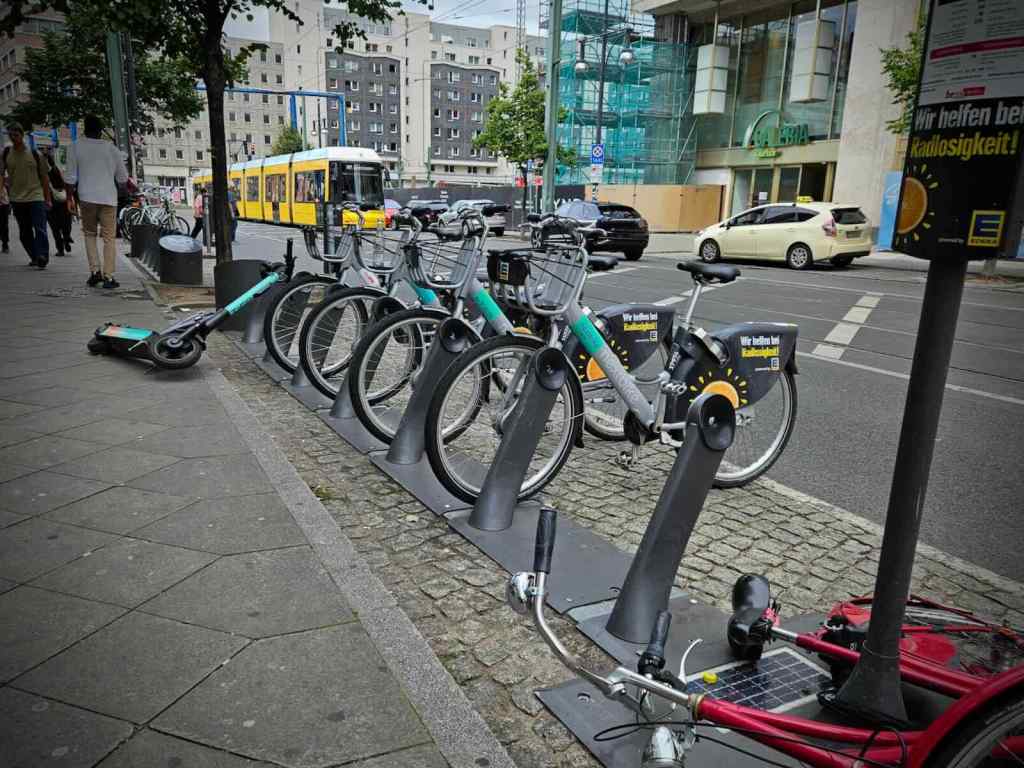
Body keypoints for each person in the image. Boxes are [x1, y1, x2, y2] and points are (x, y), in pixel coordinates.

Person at [65, 114, 128, 288]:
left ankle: (95, 272)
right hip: (109, 198)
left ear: (84, 129)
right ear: (101, 131)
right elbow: (122, 177)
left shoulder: (75, 147)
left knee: (90, 234)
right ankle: (109, 276)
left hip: (86, 198)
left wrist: (69, 198)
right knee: (109, 237)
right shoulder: (111, 149)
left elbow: (70, 177)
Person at [3, 121, 51, 269]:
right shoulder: (6, 153)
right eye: (11, 135)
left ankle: (42, 255)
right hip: (17, 198)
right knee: (24, 232)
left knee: (40, 228)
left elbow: (44, 177)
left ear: (22, 135)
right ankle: (35, 256)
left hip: (36, 196)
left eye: (16, 135)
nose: (13, 138)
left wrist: (47, 198)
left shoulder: (35, 153)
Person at [42, 148, 73, 255]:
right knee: (65, 224)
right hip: (62, 201)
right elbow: (65, 184)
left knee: (55, 228)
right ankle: (66, 239)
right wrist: (70, 199)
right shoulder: (56, 169)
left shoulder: (44, 173)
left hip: (51, 203)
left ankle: (60, 249)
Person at [0, 178, 9, 253]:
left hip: (3, 201)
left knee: (4, 224)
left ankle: (5, 244)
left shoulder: (2, 169)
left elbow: (7, 180)